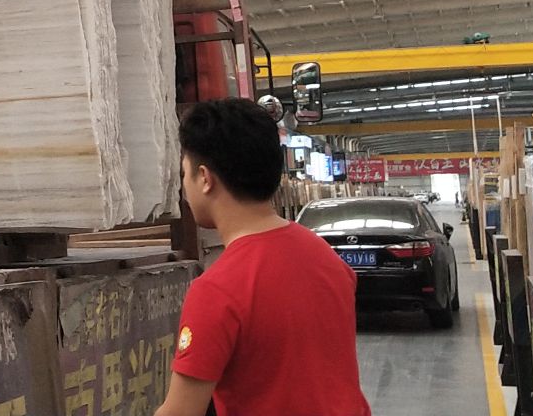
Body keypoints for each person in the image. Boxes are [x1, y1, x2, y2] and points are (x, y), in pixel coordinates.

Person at [155, 100, 372, 416]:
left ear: (204, 178)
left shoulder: (217, 290)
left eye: (184, 174)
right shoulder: (327, 259)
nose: (184, 188)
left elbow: (181, 411)